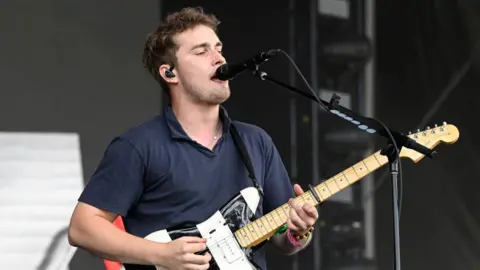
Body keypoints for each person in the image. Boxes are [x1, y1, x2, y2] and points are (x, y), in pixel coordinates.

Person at [68, 6, 319, 270]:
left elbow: (284, 242)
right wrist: (160, 254)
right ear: (169, 73)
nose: (218, 59)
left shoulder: (256, 141)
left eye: (218, 48)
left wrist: (300, 230)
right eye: (201, 51)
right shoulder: (138, 146)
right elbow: (83, 228)